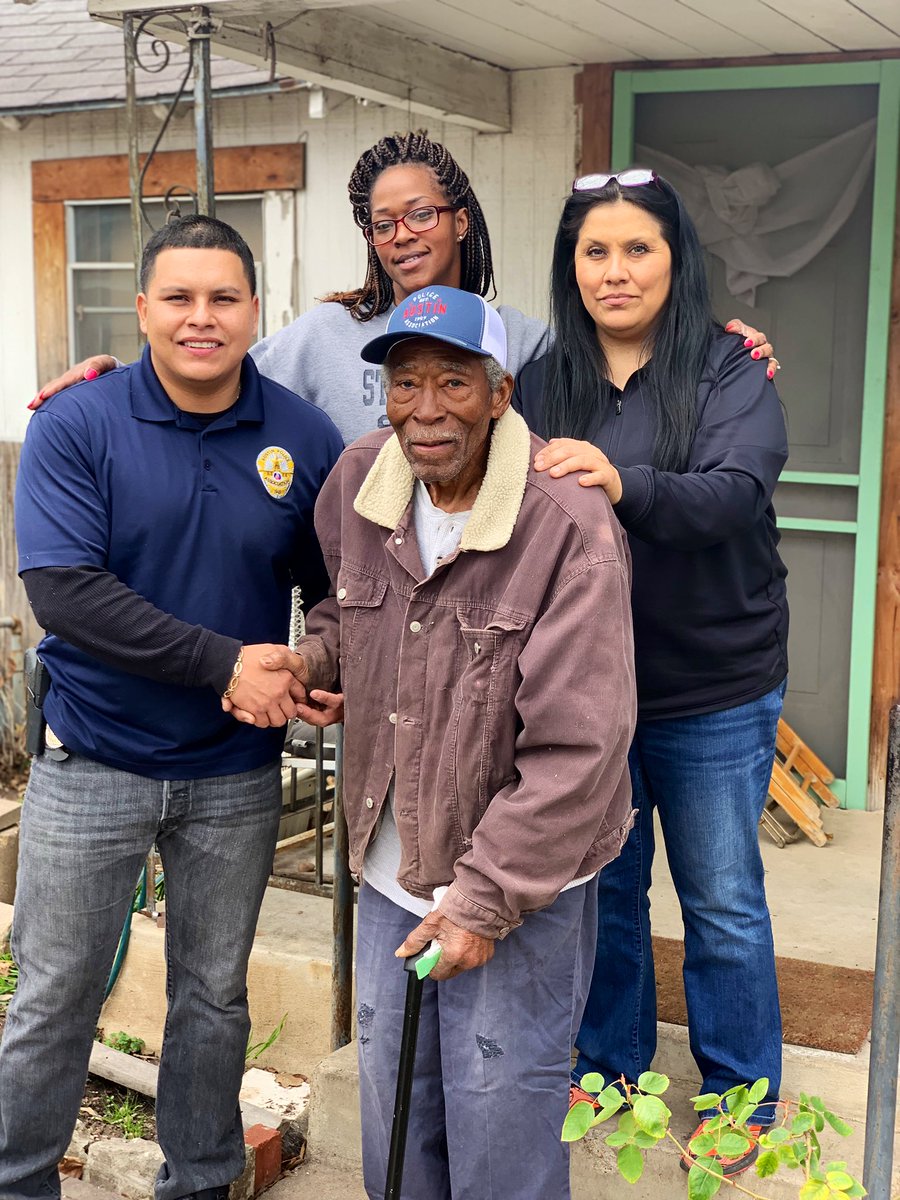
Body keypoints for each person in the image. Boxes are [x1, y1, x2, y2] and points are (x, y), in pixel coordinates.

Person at [257, 283, 637, 1200]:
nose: (424, 412)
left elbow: (580, 751)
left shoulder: (567, 524)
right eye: (405, 384)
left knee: (500, 1128)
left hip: (520, 886)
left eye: (454, 385)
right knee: (397, 1128)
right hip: (392, 869)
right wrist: (310, 661)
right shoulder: (360, 481)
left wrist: (481, 902)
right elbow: (357, 620)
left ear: (501, 392)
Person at [2, 215, 343, 1200]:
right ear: (143, 308)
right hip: (91, 761)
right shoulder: (79, 423)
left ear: (254, 310)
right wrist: (227, 663)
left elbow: (336, 584)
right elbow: (63, 590)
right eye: (180, 298)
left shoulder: (300, 435)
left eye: (223, 297)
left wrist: (319, 660)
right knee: (57, 996)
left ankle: (200, 1182)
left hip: (231, 772)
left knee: (212, 998)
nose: (203, 317)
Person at [514, 168, 789, 1179]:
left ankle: (739, 1095)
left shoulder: (731, 369)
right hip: (593, 693)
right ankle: (610, 1069)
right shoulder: (544, 382)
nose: (615, 270)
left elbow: (726, 496)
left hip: (714, 685)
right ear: (571, 265)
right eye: (595, 251)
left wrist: (618, 478)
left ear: (677, 262)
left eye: (639, 249)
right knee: (607, 891)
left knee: (721, 899)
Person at [33, 131, 778, 434]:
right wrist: (115, 374)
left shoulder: (524, 340)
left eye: (420, 214)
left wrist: (724, 345)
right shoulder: (329, 337)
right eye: (381, 224)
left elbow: (626, 351)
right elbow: (211, 371)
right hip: (370, 627)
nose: (401, 236)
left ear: (460, 220)